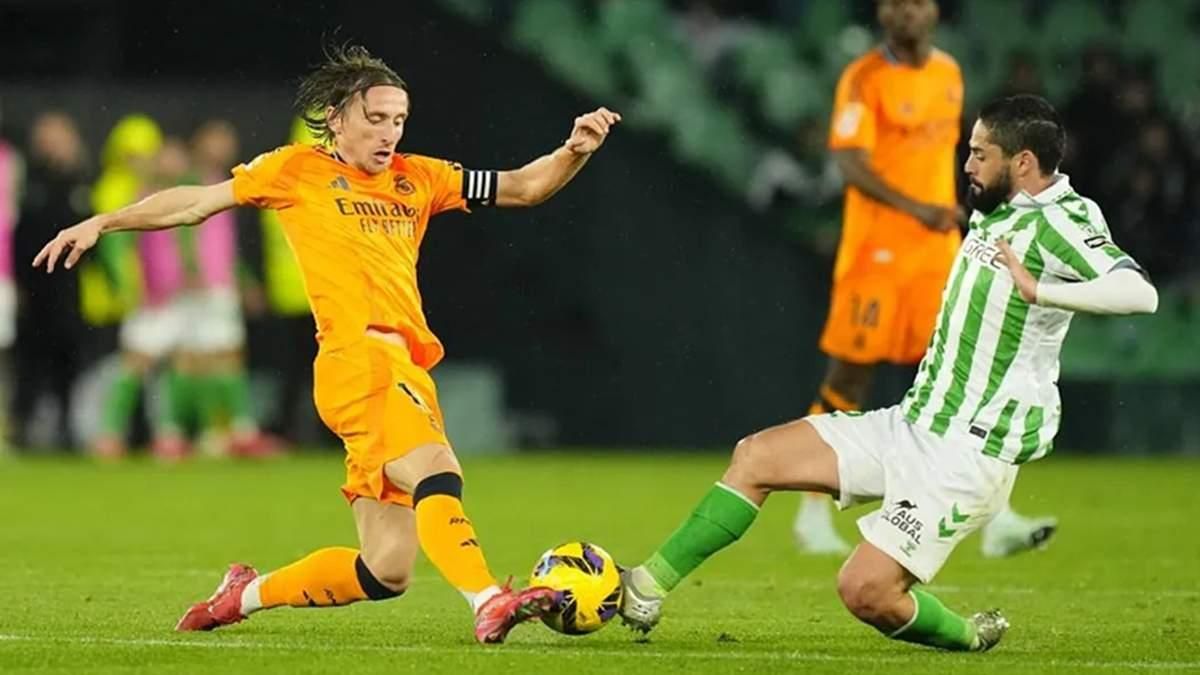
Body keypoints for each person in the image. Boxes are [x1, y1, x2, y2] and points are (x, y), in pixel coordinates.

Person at [33, 43, 620, 644]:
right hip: (358, 359)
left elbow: (523, 187)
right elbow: (195, 202)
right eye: (376, 118)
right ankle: (489, 600)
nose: (389, 132)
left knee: (386, 569)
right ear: (337, 118)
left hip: (404, 368)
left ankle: (242, 596)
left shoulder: (420, 177)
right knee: (436, 469)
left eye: (399, 119)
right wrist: (103, 221)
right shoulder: (297, 169)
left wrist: (573, 151)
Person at [618, 94, 1158, 652]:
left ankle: (971, 636)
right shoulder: (997, 207)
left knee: (865, 590)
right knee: (756, 457)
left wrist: (1040, 290)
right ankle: (644, 586)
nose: (967, 164)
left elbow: (1140, 293)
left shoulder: (1062, 221)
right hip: (912, 423)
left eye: (980, 154)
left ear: (1023, 162)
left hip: (966, 453)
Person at [795, 0, 1056, 558]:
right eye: (896, 4)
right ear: (882, 13)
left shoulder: (949, 73)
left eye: (917, 3)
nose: (907, 13)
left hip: (938, 251)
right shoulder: (863, 78)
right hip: (876, 252)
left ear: (935, 11)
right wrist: (920, 208)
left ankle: (996, 517)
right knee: (850, 377)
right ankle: (811, 513)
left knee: (970, 371)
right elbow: (850, 163)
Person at [11, 111, 90, 449]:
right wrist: (18, 282)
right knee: (30, 361)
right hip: (34, 287)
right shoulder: (29, 181)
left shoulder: (81, 182)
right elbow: (18, 238)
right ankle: (21, 427)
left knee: (68, 360)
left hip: (69, 286)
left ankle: (67, 428)